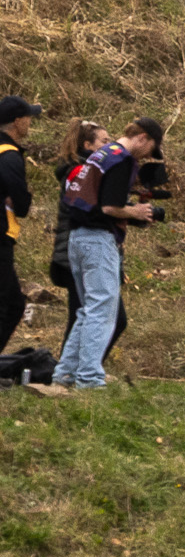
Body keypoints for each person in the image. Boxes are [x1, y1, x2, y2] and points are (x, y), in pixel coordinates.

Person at [49, 114, 157, 392]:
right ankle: (89, 378)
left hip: (77, 237)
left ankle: (65, 374)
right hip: (97, 240)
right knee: (102, 311)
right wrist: (135, 211)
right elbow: (110, 207)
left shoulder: (101, 155)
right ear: (142, 138)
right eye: (150, 149)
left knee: (87, 311)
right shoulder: (121, 158)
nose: (148, 156)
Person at [0, 94, 29, 351]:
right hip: (1, 238)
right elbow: (22, 204)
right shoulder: (9, 155)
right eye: (28, 117)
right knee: (10, 305)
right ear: (17, 121)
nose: (30, 122)